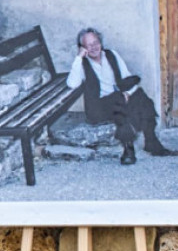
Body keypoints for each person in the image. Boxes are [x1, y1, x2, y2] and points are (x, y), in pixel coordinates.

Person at [66, 27, 170, 167]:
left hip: (120, 96)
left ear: (100, 42)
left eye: (96, 42)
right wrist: (79, 57)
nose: (94, 47)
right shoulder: (82, 64)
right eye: (89, 45)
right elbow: (72, 84)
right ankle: (128, 148)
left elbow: (127, 78)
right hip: (99, 106)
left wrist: (128, 94)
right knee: (119, 102)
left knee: (141, 97)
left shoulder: (112, 55)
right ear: (82, 48)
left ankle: (150, 140)